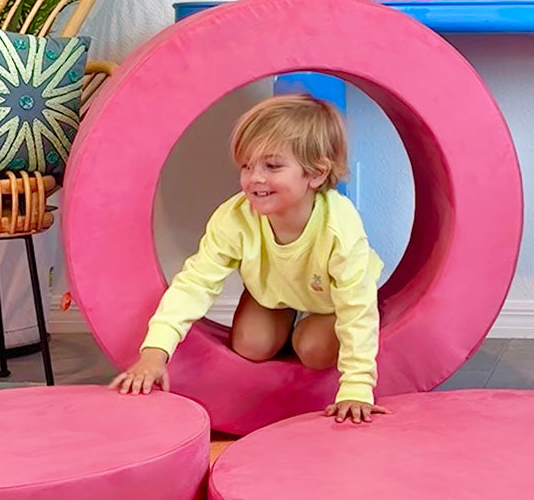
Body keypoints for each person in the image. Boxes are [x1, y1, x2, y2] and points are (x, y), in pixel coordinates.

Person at [110, 94, 389, 424]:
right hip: (275, 292)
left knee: (315, 351)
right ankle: (282, 319)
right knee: (250, 344)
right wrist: (154, 353)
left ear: (315, 173)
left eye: (272, 166)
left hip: (329, 300)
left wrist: (357, 387)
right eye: (247, 165)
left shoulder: (339, 225)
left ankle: (303, 329)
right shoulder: (235, 217)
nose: (254, 178)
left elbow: (356, 306)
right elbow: (195, 284)